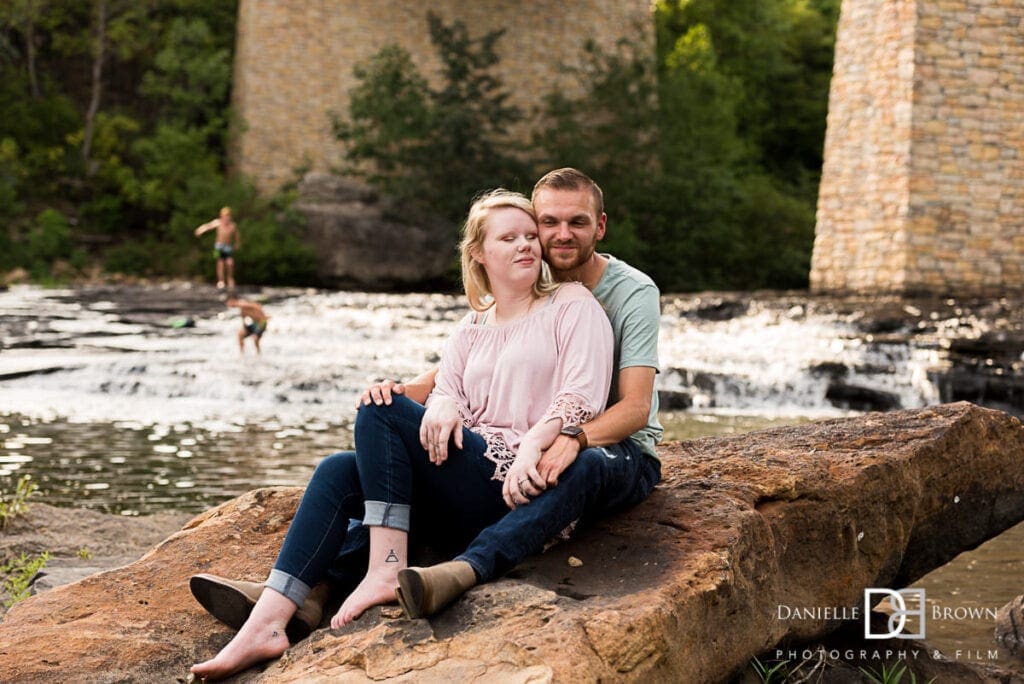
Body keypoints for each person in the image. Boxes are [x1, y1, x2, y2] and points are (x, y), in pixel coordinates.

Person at [189, 188, 614, 680]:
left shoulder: (571, 304)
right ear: (478, 253)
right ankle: (268, 620)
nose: (526, 245)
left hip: (514, 481)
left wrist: (533, 447)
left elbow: (582, 395)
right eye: (508, 238)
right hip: (460, 480)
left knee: (383, 410)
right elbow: (446, 387)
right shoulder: (472, 326)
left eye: (528, 236)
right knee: (335, 470)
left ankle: (385, 567)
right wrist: (444, 404)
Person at [195, 207, 241, 289]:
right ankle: (221, 281)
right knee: (220, 263)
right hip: (219, 245)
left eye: (228, 216)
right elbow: (208, 226)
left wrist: (237, 243)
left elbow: (237, 236)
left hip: (228, 246)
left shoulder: (232, 225)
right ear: (222, 216)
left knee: (230, 263)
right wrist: (201, 229)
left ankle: (230, 278)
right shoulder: (218, 222)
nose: (227, 217)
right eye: (225, 216)